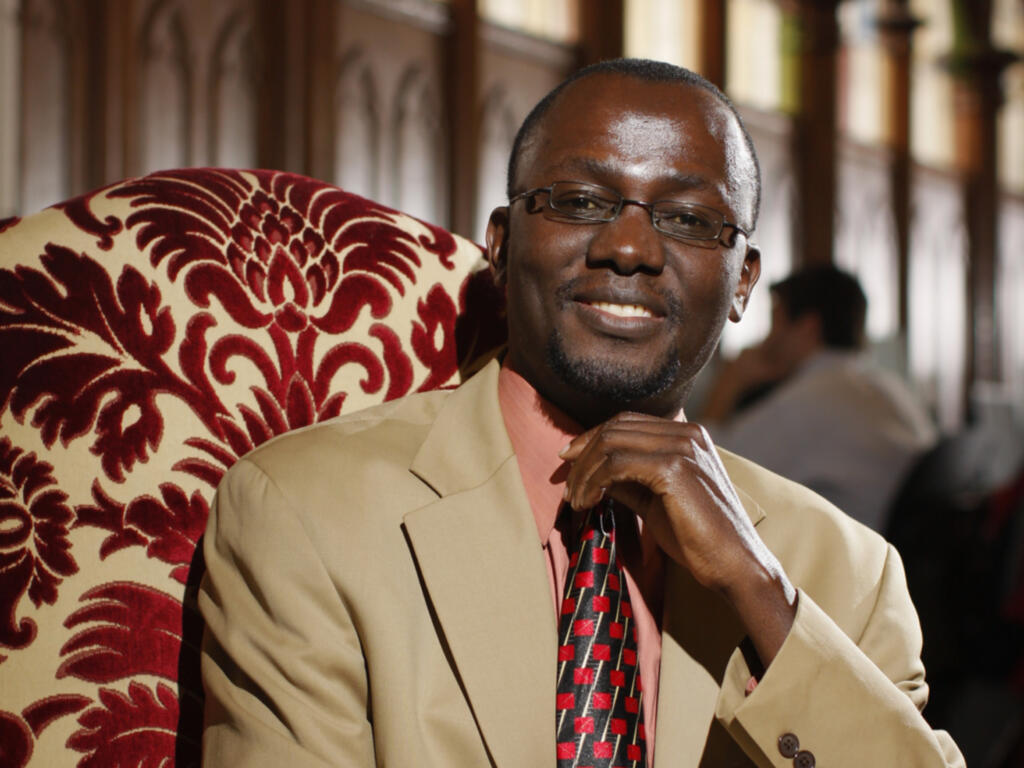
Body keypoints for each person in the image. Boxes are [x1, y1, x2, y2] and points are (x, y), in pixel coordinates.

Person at [199, 59, 964, 767]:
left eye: (690, 219)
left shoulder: (852, 577)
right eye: (580, 201)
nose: (629, 247)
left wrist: (758, 590)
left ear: (742, 284)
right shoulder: (307, 512)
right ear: (499, 247)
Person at [700, 266, 937, 531]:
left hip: (850, 560)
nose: (768, 340)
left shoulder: (810, 400)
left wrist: (728, 384)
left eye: (775, 321)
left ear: (807, 329)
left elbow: (707, 473)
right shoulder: (891, 388)